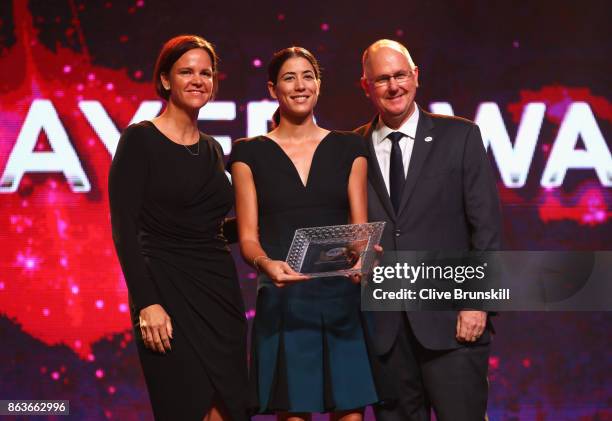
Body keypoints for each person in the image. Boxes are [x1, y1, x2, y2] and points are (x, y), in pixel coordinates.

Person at [228, 47, 379, 421]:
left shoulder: (349, 146)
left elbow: (359, 230)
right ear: (273, 89)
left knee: (350, 412)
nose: (300, 85)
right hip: (284, 300)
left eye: (308, 76)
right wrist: (265, 264)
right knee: (294, 412)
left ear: (319, 84)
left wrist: (363, 257)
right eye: (289, 78)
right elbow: (248, 237)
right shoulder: (249, 154)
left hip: (340, 298)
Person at [354, 39, 502, 421]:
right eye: (382, 78)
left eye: (400, 75)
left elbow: (485, 227)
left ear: (416, 77)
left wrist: (477, 301)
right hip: (385, 330)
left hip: (452, 323)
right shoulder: (350, 148)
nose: (393, 86)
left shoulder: (461, 136)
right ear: (366, 86)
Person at [108, 35, 247, 421]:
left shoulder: (213, 149)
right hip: (164, 293)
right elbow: (123, 228)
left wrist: (265, 225)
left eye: (206, 72)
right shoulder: (140, 139)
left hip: (219, 294)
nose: (198, 80)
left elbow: (207, 231)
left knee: (228, 408)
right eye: (187, 71)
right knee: (185, 406)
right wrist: (147, 303)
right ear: (166, 80)